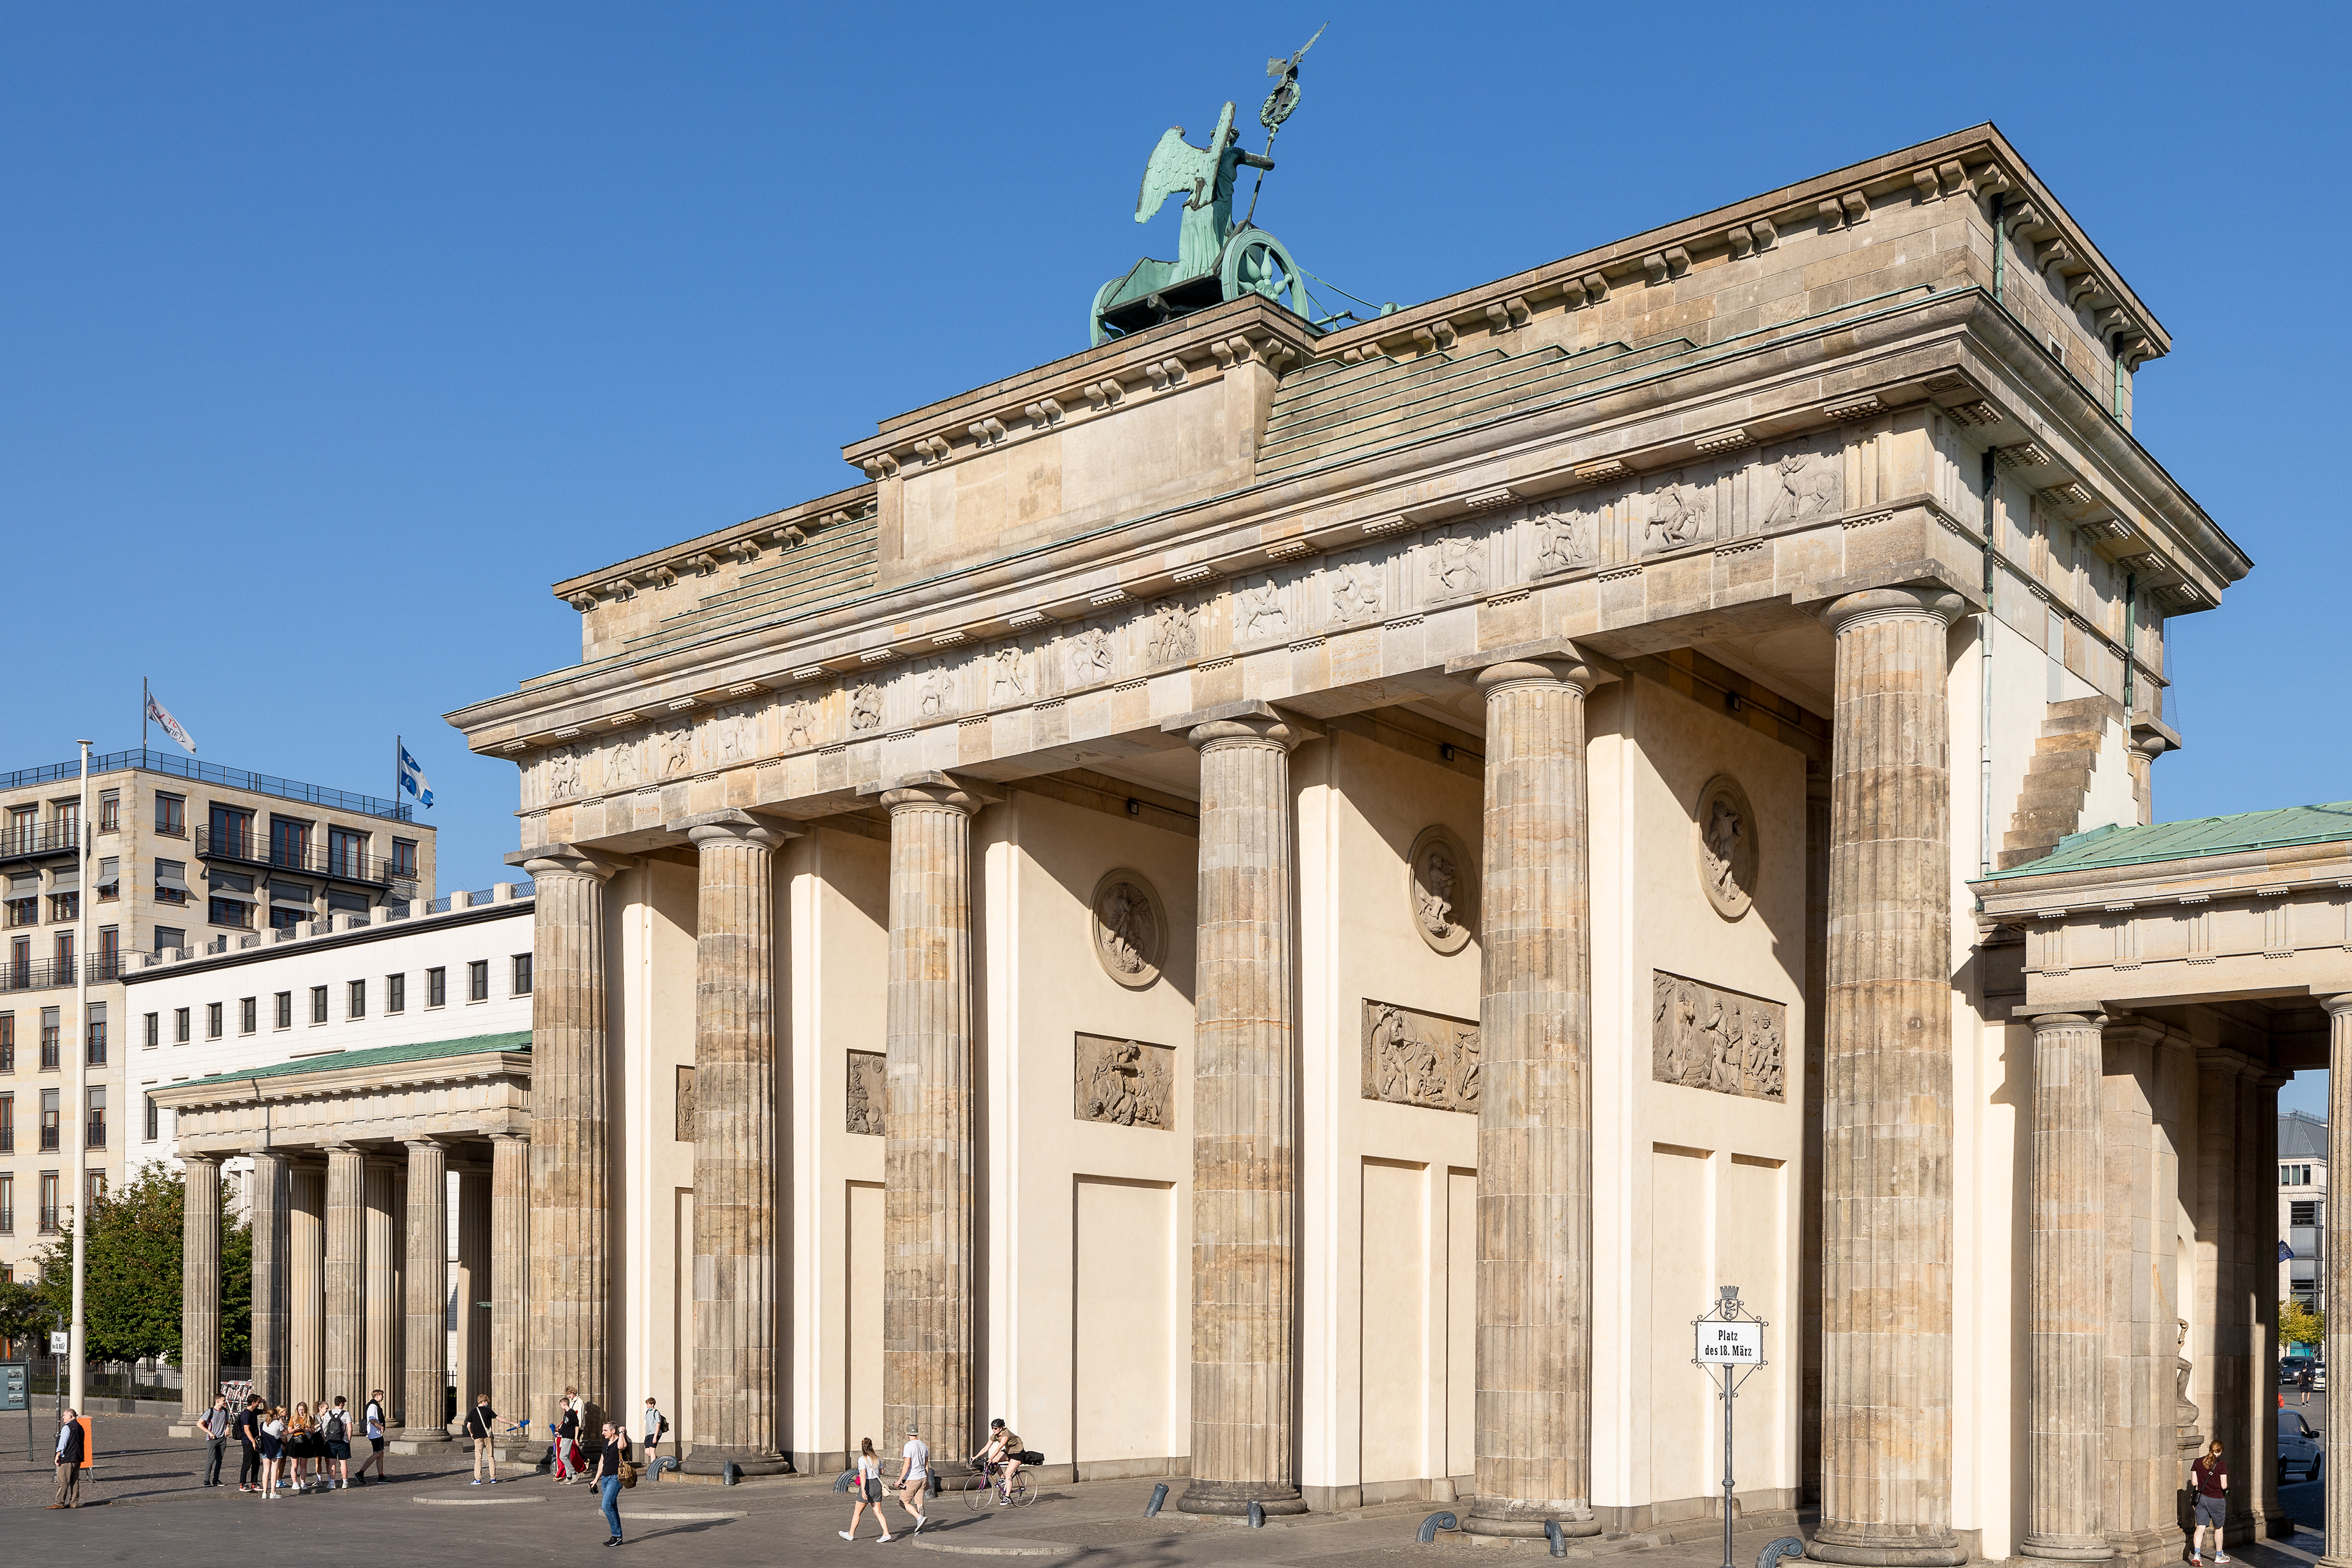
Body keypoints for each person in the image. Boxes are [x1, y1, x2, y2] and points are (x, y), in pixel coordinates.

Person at [839, 1436, 894, 1543]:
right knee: (878, 1512)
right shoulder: (877, 1458)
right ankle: (886, 1533)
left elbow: (863, 1475)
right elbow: (882, 1472)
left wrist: (863, 1490)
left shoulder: (862, 1459)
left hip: (868, 1485)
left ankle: (851, 1534)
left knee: (857, 1513)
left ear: (863, 1448)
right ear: (871, 1446)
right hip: (877, 1485)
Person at [2190, 1439, 2229, 1566]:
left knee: (2200, 1527)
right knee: (2219, 1527)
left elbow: (2194, 1483)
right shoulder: (2221, 1465)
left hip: (2201, 1499)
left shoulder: (2197, 1462)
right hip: (2216, 1499)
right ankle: (2218, 1555)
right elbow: (2224, 1485)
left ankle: (2196, 1555)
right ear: (2221, 1451)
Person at [594, 1420, 631, 1548]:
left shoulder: (621, 1440)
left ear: (613, 1431)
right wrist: (596, 1479)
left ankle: (617, 1536)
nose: (603, 1433)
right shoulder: (605, 1443)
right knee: (612, 1507)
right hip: (605, 1478)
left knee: (606, 1506)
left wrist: (622, 1432)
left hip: (615, 1478)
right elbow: (602, 1461)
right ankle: (617, 1536)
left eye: (605, 1430)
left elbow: (621, 1447)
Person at [895, 1423, 929, 1534]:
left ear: (907, 1433)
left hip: (913, 1478)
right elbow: (926, 1464)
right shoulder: (924, 1445)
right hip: (922, 1477)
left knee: (903, 1502)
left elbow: (907, 1464)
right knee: (919, 1504)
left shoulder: (909, 1446)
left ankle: (919, 1518)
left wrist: (900, 1480)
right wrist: (927, 1479)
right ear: (917, 1433)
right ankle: (920, 1530)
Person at [50, 1409, 85, 1509]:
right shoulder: (79, 1427)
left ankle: (59, 1502)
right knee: (75, 1481)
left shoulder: (67, 1427)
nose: (63, 1417)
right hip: (77, 1457)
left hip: (68, 1458)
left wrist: (58, 1455)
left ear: (70, 1416)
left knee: (63, 1481)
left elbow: (63, 1443)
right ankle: (74, 1502)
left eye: (64, 1415)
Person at [353, 1389, 388, 1483]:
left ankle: (381, 1476)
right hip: (374, 1433)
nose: (383, 1397)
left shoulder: (374, 1405)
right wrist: (381, 1427)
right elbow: (372, 1420)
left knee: (381, 1454)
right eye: (382, 1395)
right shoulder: (373, 1406)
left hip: (377, 1433)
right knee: (377, 1453)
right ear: (377, 1396)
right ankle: (360, 1473)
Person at [466, 1394, 500, 1485]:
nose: (487, 1404)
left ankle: (478, 1479)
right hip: (488, 1436)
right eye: (487, 1402)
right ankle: (493, 1478)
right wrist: (513, 1423)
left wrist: (471, 1433)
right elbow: (499, 1419)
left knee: (478, 1458)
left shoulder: (473, 1412)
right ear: (484, 1402)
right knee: (491, 1457)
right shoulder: (488, 1411)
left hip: (477, 1437)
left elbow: (468, 1425)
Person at [200, 1395, 232, 1487]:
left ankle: (216, 1479)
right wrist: (209, 1433)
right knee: (211, 1459)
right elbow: (199, 1423)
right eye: (223, 1400)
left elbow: (227, 1422)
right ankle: (206, 1480)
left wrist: (228, 1428)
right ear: (217, 1401)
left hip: (222, 1439)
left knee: (219, 1460)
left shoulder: (225, 1411)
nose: (225, 1402)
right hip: (212, 1439)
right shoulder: (210, 1411)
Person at [235, 1394, 265, 1492]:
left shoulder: (254, 1412)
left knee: (256, 1463)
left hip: (254, 1440)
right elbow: (247, 1430)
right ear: (253, 1403)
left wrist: (264, 1402)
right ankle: (242, 1484)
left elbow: (266, 1411)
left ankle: (254, 1483)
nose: (259, 1403)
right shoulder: (246, 1414)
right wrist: (253, 1442)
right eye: (258, 1401)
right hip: (248, 1442)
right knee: (247, 1463)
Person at [323, 1396, 353, 1489]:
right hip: (342, 1441)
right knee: (343, 1462)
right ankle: (345, 1483)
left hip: (331, 1441)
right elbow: (350, 1428)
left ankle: (332, 1483)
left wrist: (325, 1440)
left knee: (332, 1463)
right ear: (341, 1404)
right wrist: (349, 1440)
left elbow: (324, 1429)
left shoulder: (328, 1414)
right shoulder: (346, 1414)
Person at [259, 1406, 287, 1499]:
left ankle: (264, 1492)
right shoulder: (277, 1424)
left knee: (266, 1471)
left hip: (266, 1448)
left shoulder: (263, 1424)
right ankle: (273, 1492)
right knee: (274, 1470)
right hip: (276, 1448)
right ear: (275, 1415)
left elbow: (260, 1435)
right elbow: (286, 1432)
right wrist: (281, 1422)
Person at [641, 1396, 668, 1471]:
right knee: (647, 1452)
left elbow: (658, 1424)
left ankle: (653, 1469)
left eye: (648, 1404)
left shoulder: (656, 1412)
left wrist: (655, 1437)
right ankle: (660, 1461)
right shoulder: (647, 1412)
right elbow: (646, 1424)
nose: (647, 1406)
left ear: (652, 1404)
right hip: (649, 1434)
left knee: (652, 1451)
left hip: (655, 1433)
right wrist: (645, 1435)